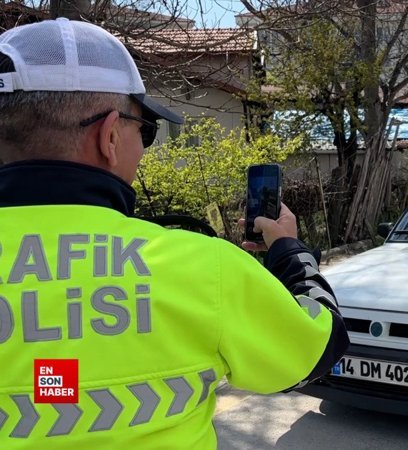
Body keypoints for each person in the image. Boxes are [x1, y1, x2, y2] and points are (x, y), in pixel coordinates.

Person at [0, 19, 348, 449]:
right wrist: (290, 251)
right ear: (109, 136)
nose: (146, 145)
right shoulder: (203, 269)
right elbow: (316, 348)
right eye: (144, 129)